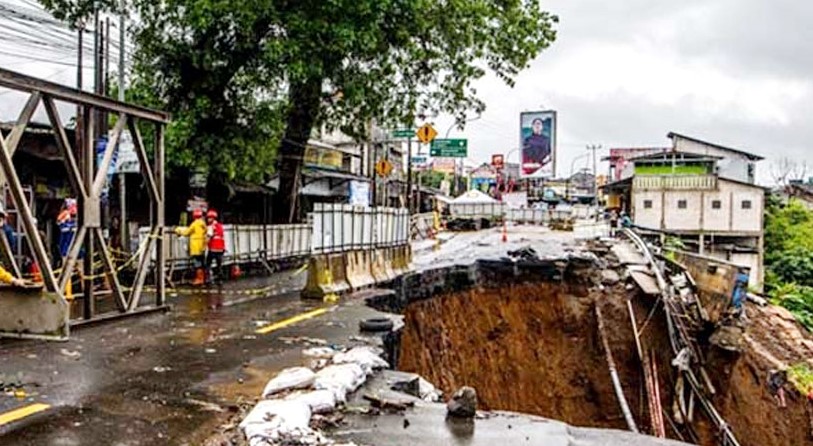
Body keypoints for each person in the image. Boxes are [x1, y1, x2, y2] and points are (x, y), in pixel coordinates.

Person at [175, 209, 207, 285]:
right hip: (202, 247)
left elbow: (187, 232)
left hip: (195, 247)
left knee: (197, 264)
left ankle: (199, 279)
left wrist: (178, 230)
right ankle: (203, 278)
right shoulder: (203, 224)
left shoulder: (194, 224)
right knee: (202, 263)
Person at [205, 209, 225, 285]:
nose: (208, 219)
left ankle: (208, 279)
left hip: (213, 249)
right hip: (221, 249)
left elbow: (209, 237)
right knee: (219, 265)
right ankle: (220, 280)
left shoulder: (211, 227)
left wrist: (204, 245)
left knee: (208, 264)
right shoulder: (220, 226)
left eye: (209, 218)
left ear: (212, 218)